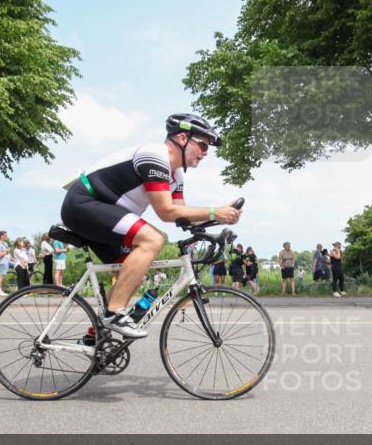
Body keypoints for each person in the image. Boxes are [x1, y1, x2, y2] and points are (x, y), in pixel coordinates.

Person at [59, 113, 238, 338]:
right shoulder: (154, 156)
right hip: (84, 203)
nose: (206, 152)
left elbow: (181, 214)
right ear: (183, 138)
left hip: (107, 214)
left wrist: (217, 223)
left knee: (134, 273)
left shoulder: (177, 174)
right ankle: (114, 314)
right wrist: (215, 211)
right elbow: (166, 211)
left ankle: (95, 337)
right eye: (202, 144)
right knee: (152, 239)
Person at [0, 230, 11, 296]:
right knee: (1, 276)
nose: (6, 236)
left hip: (8, 261)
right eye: (5, 235)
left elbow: (8, 253)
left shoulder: (5, 243)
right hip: (3, 262)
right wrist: (6, 251)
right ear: (1, 236)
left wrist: (14, 259)